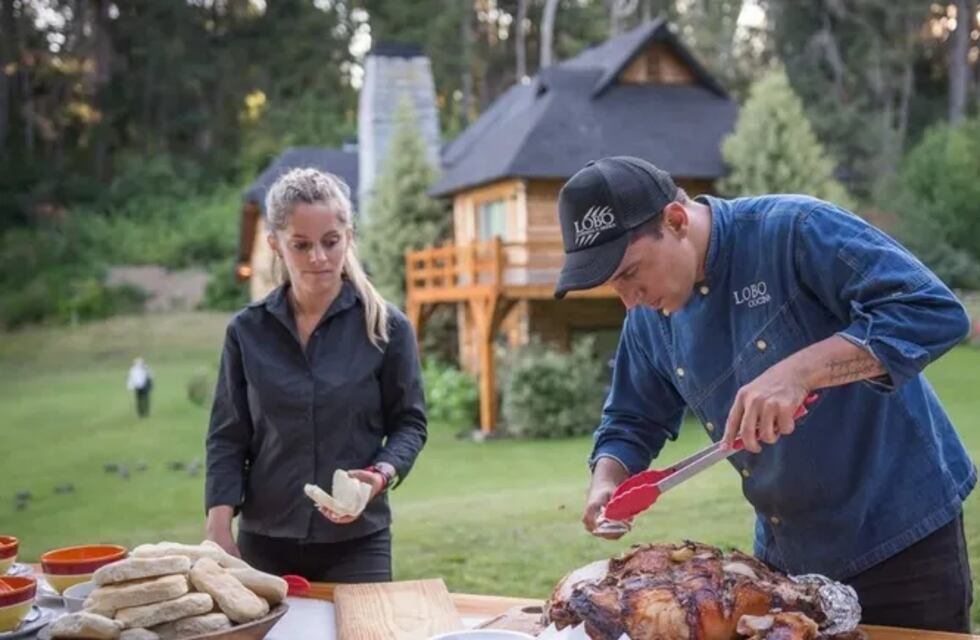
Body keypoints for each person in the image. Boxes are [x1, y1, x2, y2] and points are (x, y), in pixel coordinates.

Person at [554, 156, 975, 632]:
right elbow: (630, 419)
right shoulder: (647, 318)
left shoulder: (795, 229)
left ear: (674, 221)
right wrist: (607, 479)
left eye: (630, 273)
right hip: (784, 564)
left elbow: (934, 312)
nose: (629, 300)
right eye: (614, 285)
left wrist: (800, 371)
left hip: (903, 539)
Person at [205, 168, 427, 583]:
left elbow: (409, 425)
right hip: (263, 543)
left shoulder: (388, 328)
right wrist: (218, 523)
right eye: (301, 245)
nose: (318, 258)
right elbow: (228, 435)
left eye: (330, 242)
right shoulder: (246, 332)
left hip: (358, 544)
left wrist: (379, 476)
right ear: (275, 244)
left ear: (349, 237)